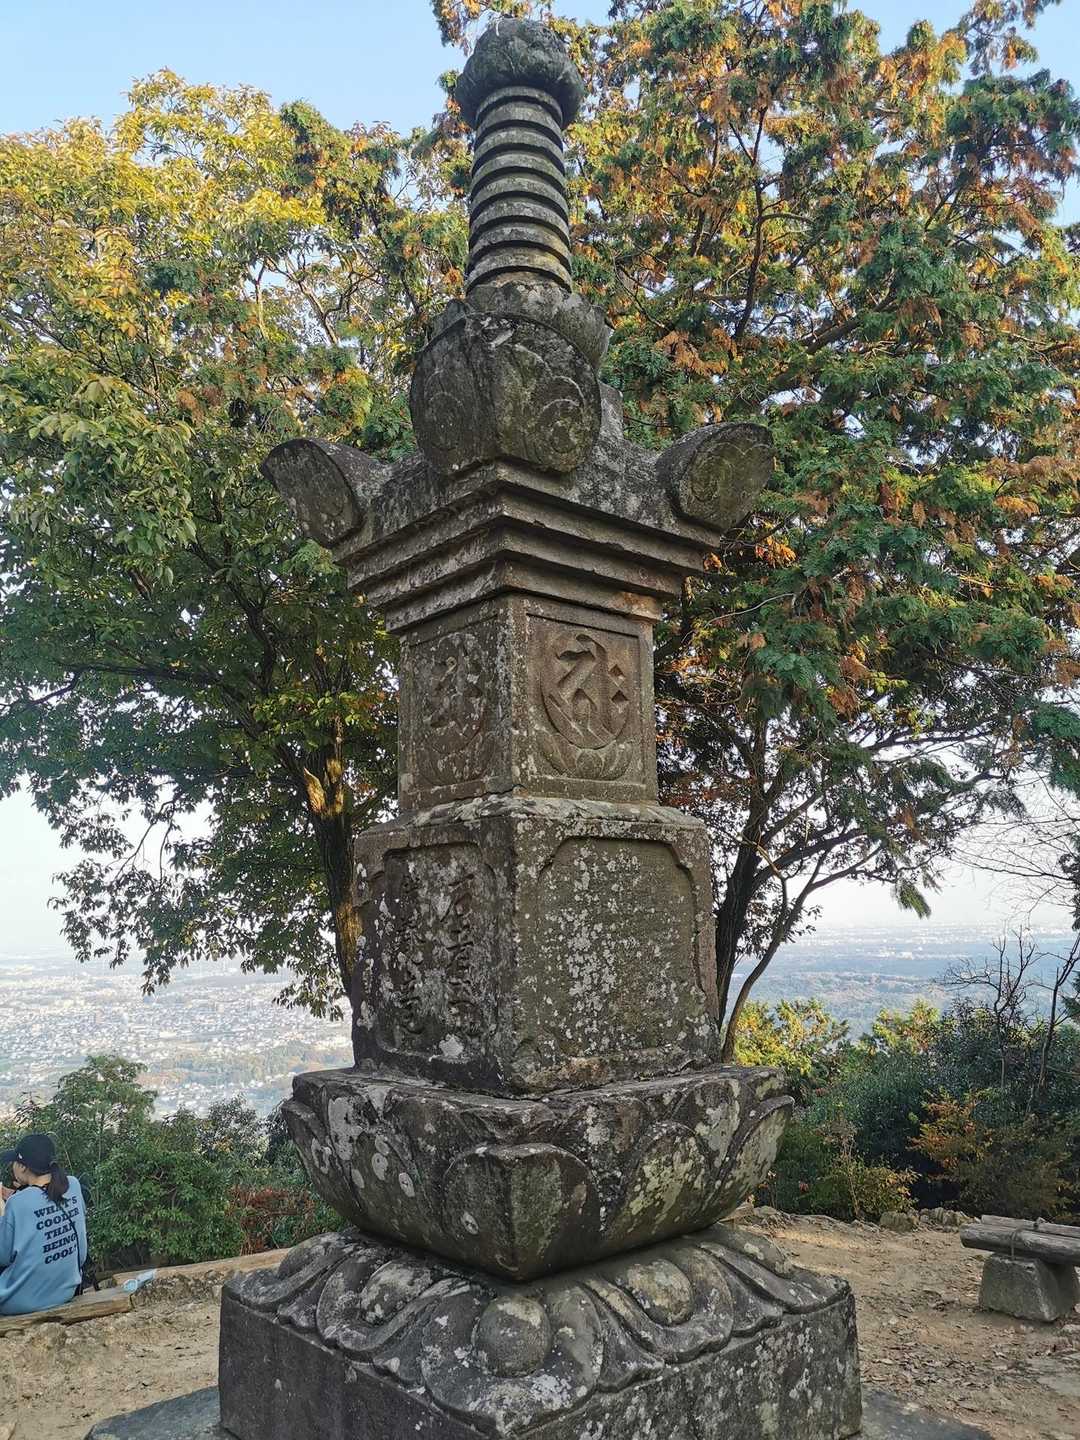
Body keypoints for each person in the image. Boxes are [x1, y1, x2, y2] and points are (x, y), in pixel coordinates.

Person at [0, 1132, 87, 1316]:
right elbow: (43, 1199)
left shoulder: (17, 1204)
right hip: (65, 1290)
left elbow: (3, 1257)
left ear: (22, 1167)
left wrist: (3, 1211)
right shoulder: (72, 1185)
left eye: (14, 1162)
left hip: (20, 1301)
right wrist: (14, 1197)